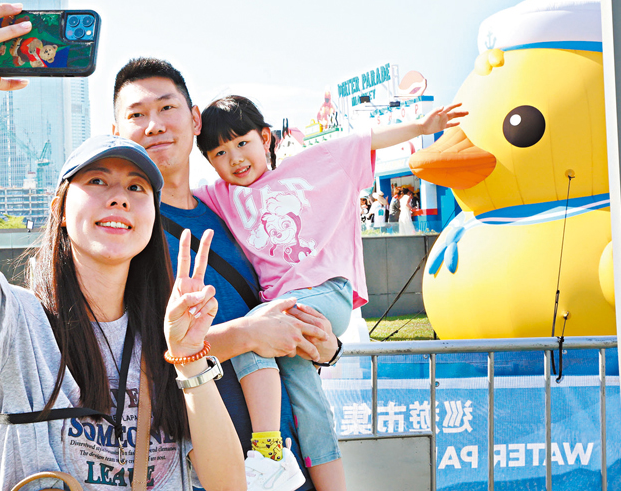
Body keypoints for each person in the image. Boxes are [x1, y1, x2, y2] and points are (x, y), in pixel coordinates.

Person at [0, 1, 244, 491]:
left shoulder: (166, 336)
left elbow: (228, 484)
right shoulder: (20, 326)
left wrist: (189, 355)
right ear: (61, 210)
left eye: (137, 187)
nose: (119, 196)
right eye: (96, 181)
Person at [193, 95, 466, 491]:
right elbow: (166, 191)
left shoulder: (312, 164)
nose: (234, 158)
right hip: (284, 307)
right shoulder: (221, 194)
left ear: (265, 138)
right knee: (304, 392)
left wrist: (422, 128)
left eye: (241, 143)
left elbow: (365, 138)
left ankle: (267, 453)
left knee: (252, 332)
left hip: (326, 293)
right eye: (219, 152)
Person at [111, 59, 338, 491]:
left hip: (289, 460)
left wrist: (325, 346)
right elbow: (127, 360)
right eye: (137, 114)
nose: (155, 125)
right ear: (118, 131)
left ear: (195, 120)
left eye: (167, 108)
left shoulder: (231, 212)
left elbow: (276, 308)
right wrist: (248, 335)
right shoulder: (123, 230)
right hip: (201, 471)